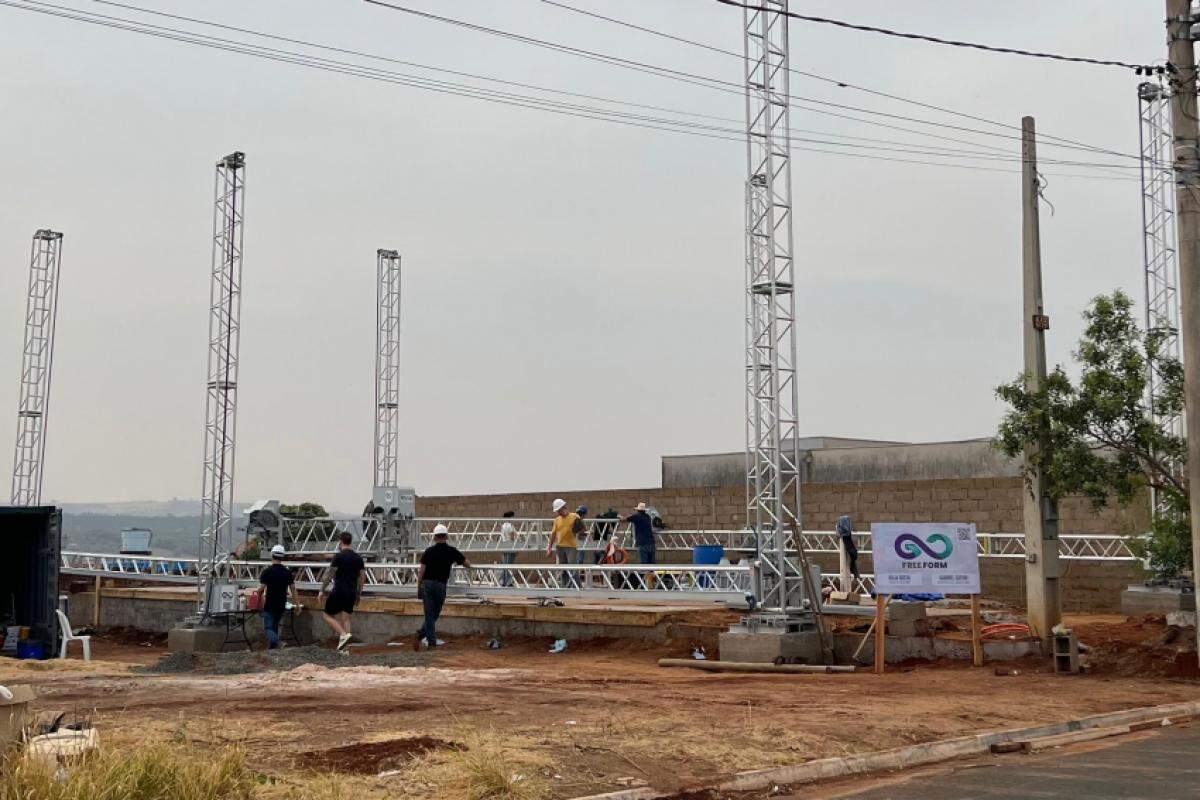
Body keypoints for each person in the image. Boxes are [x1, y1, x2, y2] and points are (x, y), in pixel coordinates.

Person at [415, 524, 471, 649]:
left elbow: (421, 571)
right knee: (435, 614)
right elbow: (467, 563)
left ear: (435, 537)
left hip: (427, 584)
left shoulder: (429, 551)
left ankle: (422, 635)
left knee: (429, 614)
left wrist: (418, 587)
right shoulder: (451, 551)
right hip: (440, 585)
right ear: (447, 536)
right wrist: (462, 563)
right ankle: (431, 642)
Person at [317, 531, 366, 651]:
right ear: (350, 542)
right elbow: (362, 577)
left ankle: (344, 635)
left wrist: (321, 590)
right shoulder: (358, 558)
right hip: (351, 592)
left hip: (339, 590)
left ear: (341, 542)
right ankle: (345, 649)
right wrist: (359, 594)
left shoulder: (338, 557)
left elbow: (329, 575)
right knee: (346, 619)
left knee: (327, 615)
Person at [255, 544, 296, 650]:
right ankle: (273, 650)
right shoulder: (287, 572)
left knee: (268, 628)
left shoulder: (267, 572)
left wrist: (257, 599)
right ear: (282, 557)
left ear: (272, 555)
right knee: (274, 627)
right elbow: (293, 590)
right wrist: (297, 605)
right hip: (281, 605)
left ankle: (278, 642)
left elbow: (261, 589)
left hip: (269, 605)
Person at [545, 498, 584, 587]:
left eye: (559, 510)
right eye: (557, 511)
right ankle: (565, 587)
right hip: (560, 547)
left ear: (564, 507)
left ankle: (578, 588)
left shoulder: (574, 517)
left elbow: (581, 529)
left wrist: (581, 531)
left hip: (571, 547)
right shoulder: (557, 520)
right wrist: (549, 548)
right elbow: (553, 534)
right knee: (563, 570)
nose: (558, 513)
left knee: (572, 568)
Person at [836, 514, 861, 579]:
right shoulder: (842, 530)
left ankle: (853, 569)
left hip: (849, 544)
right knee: (852, 553)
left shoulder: (846, 532)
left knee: (853, 554)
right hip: (847, 543)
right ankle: (854, 569)